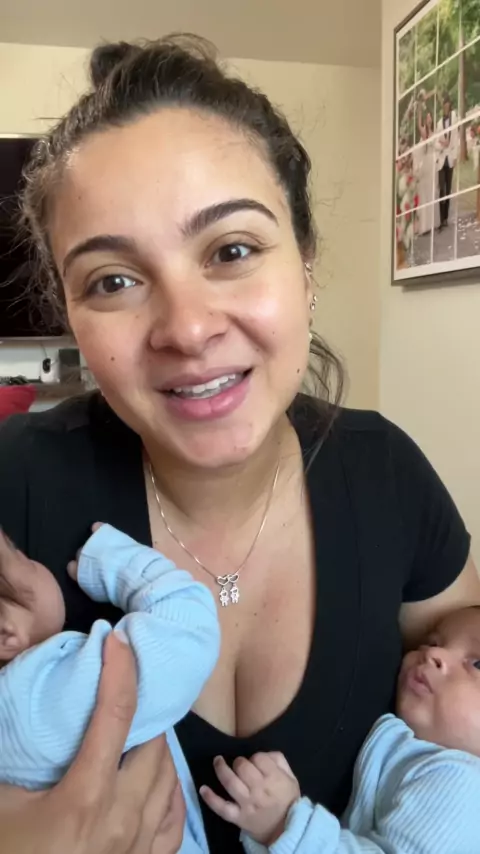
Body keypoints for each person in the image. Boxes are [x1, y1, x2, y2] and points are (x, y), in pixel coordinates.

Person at [1, 35, 479, 854]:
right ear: (71, 315)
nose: (187, 330)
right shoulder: (17, 482)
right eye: (113, 280)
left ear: (306, 265)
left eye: (232, 250)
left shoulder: (389, 477)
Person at [0, 522, 219, 851]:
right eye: (18, 554)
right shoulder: (37, 701)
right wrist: (120, 564)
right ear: (5, 634)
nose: (32, 558)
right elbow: (189, 633)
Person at [199, 607, 480, 853]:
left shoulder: (463, 787)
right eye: (431, 641)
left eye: (477, 663)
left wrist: (284, 825)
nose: (433, 653)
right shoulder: (409, 751)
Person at [435, 93, 459, 229]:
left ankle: (445, 218)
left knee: (448, 189)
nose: (446, 106)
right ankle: (441, 218)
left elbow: (455, 139)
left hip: (450, 159)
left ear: (450, 106)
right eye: (444, 105)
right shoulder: (439, 123)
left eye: (447, 104)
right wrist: (442, 145)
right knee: (442, 189)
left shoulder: (454, 118)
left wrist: (455, 157)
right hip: (441, 159)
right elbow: (436, 142)